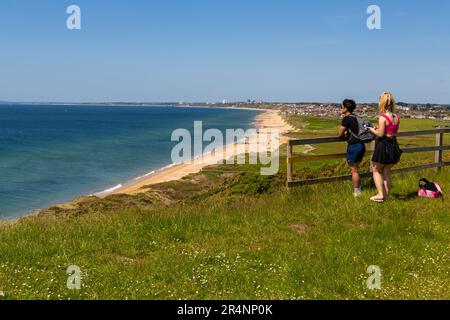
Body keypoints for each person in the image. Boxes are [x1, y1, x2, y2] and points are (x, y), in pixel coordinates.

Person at [368, 92, 402, 203]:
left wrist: (371, 129)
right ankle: (386, 195)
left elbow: (380, 134)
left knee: (376, 170)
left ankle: (380, 194)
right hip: (393, 145)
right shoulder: (397, 117)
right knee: (387, 170)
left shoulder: (382, 118)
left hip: (384, 145)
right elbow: (391, 131)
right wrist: (380, 129)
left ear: (382, 103)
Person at [339, 99, 366, 197]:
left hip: (354, 146)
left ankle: (357, 191)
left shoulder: (346, 119)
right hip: (361, 145)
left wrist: (345, 134)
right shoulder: (356, 117)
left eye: (341, 107)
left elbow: (340, 133)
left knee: (354, 170)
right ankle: (358, 187)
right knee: (356, 168)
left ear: (346, 108)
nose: (340, 109)